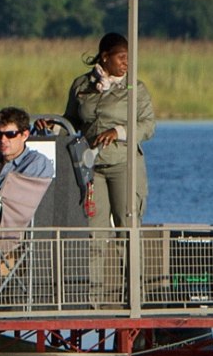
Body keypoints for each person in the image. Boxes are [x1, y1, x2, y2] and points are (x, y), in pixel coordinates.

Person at [63, 32, 155, 228]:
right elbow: (71, 121)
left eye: (129, 58)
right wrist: (52, 126)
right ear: (105, 57)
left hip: (124, 164)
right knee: (94, 230)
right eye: (121, 57)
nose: (126, 63)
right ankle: (95, 260)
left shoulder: (135, 89)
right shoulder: (81, 85)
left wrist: (118, 132)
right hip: (91, 167)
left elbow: (147, 126)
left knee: (127, 226)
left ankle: (131, 260)